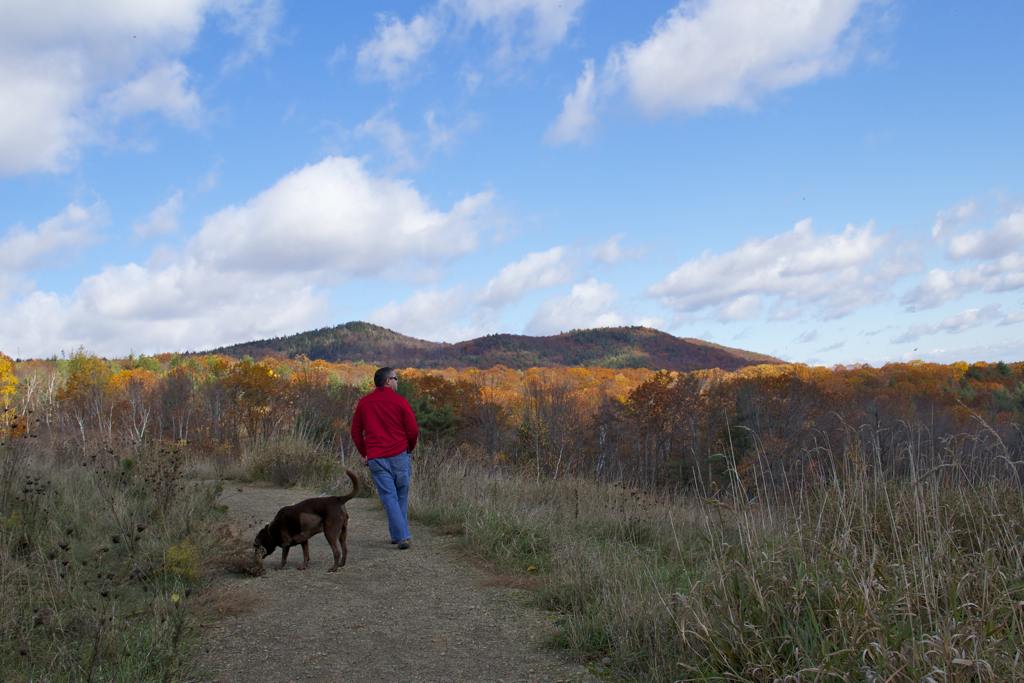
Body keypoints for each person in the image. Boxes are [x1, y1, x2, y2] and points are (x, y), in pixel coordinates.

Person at [350, 367, 419, 550]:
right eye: (396, 378)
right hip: (399, 455)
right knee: (401, 495)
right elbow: (412, 429)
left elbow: (355, 431)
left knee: (389, 496)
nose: (398, 381)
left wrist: (365, 453)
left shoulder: (364, 403)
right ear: (388, 381)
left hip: (377, 458)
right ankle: (402, 536)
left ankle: (399, 535)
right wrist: (408, 449)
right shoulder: (400, 401)